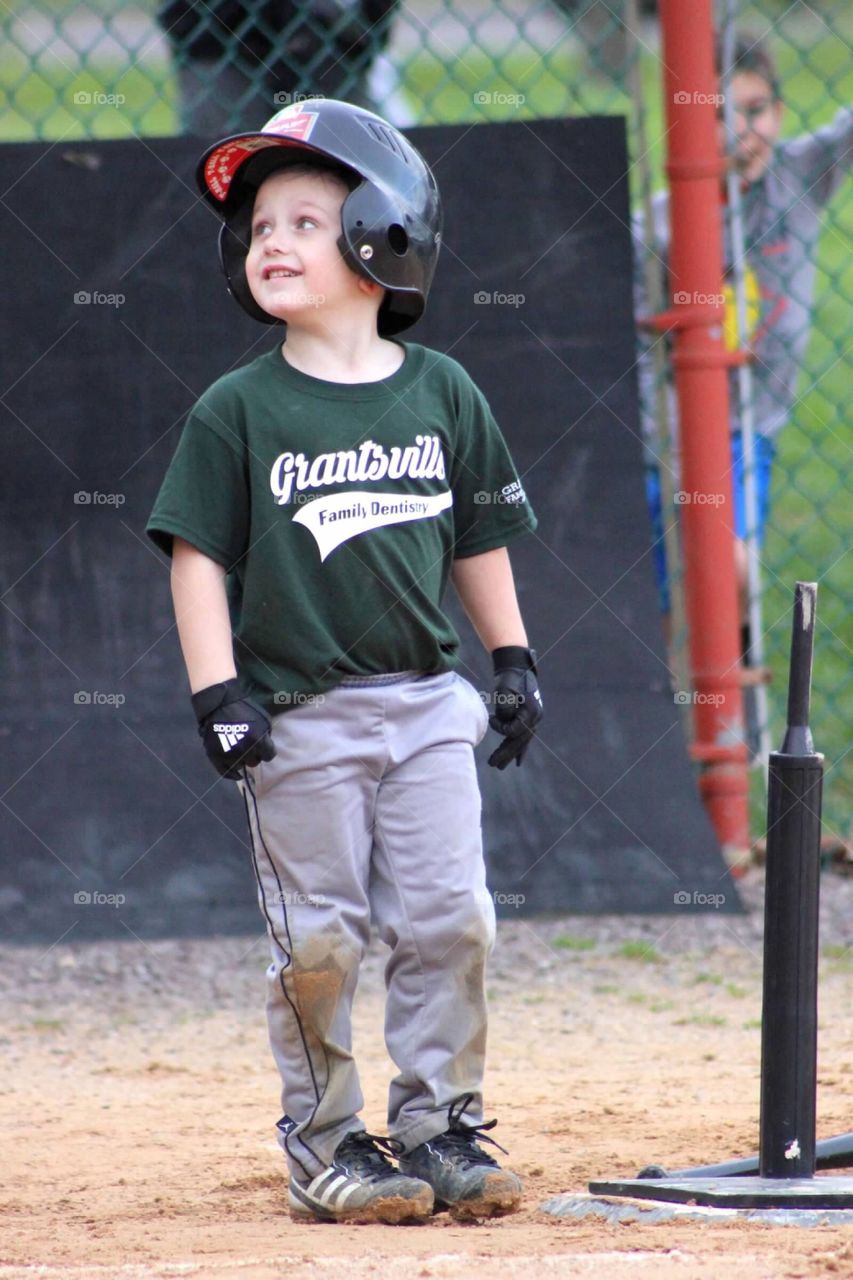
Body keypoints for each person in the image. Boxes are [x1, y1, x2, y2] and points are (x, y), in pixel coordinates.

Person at [146, 98, 542, 1225]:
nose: (271, 240)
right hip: (300, 718)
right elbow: (194, 557)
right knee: (318, 938)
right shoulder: (239, 409)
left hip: (427, 707)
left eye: (305, 220)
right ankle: (325, 1141)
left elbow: (477, 536)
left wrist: (510, 658)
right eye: (259, 224)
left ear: (384, 234)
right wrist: (217, 692)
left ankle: (440, 1122)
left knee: (451, 916)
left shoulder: (442, 391)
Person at [635, 34, 852, 630]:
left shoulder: (799, 177)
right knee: (670, 598)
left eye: (754, 110)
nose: (739, 133)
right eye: (716, 115)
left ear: (779, 112)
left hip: (749, 425)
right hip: (672, 435)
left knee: (728, 571)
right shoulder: (659, 222)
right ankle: (687, 693)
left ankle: (728, 681)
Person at [158, 0, 401, 135]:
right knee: (230, 145)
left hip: (328, 46)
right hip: (225, 47)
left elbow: (372, 28)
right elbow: (184, 24)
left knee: (343, 150)